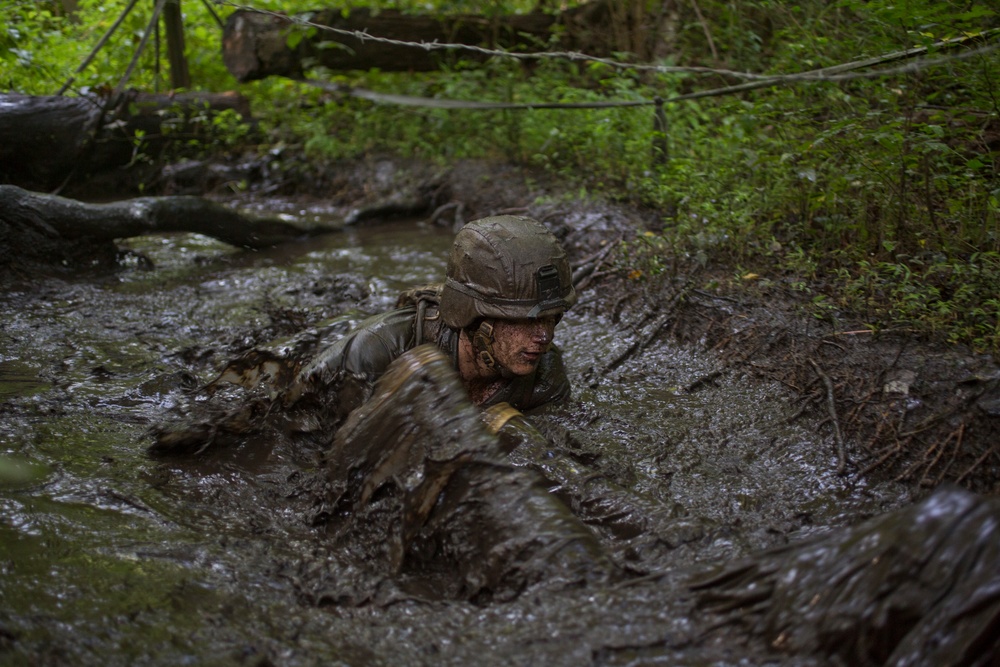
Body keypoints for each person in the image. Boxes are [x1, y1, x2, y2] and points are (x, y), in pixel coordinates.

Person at [287, 214, 578, 417]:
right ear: (476, 318)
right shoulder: (374, 355)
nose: (544, 336)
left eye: (551, 317)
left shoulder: (545, 376)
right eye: (526, 320)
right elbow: (292, 440)